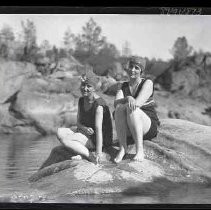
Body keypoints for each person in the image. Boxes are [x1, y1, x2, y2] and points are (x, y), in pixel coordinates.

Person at [57, 73, 113, 164]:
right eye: (83, 85)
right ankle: (81, 151)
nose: (85, 88)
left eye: (89, 86)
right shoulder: (81, 100)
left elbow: (99, 130)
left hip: (98, 139)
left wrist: (99, 153)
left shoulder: (99, 105)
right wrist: (85, 128)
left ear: (94, 88)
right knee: (60, 131)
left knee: (65, 140)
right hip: (84, 134)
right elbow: (78, 123)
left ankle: (90, 156)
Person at [113, 56, 160, 163]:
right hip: (129, 126)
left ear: (141, 71)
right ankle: (123, 148)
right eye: (131, 66)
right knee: (119, 108)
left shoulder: (147, 83)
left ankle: (140, 150)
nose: (132, 70)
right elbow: (116, 103)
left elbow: (137, 103)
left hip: (146, 125)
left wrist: (126, 100)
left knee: (131, 108)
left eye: (137, 68)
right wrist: (127, 97)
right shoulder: (123, 85)